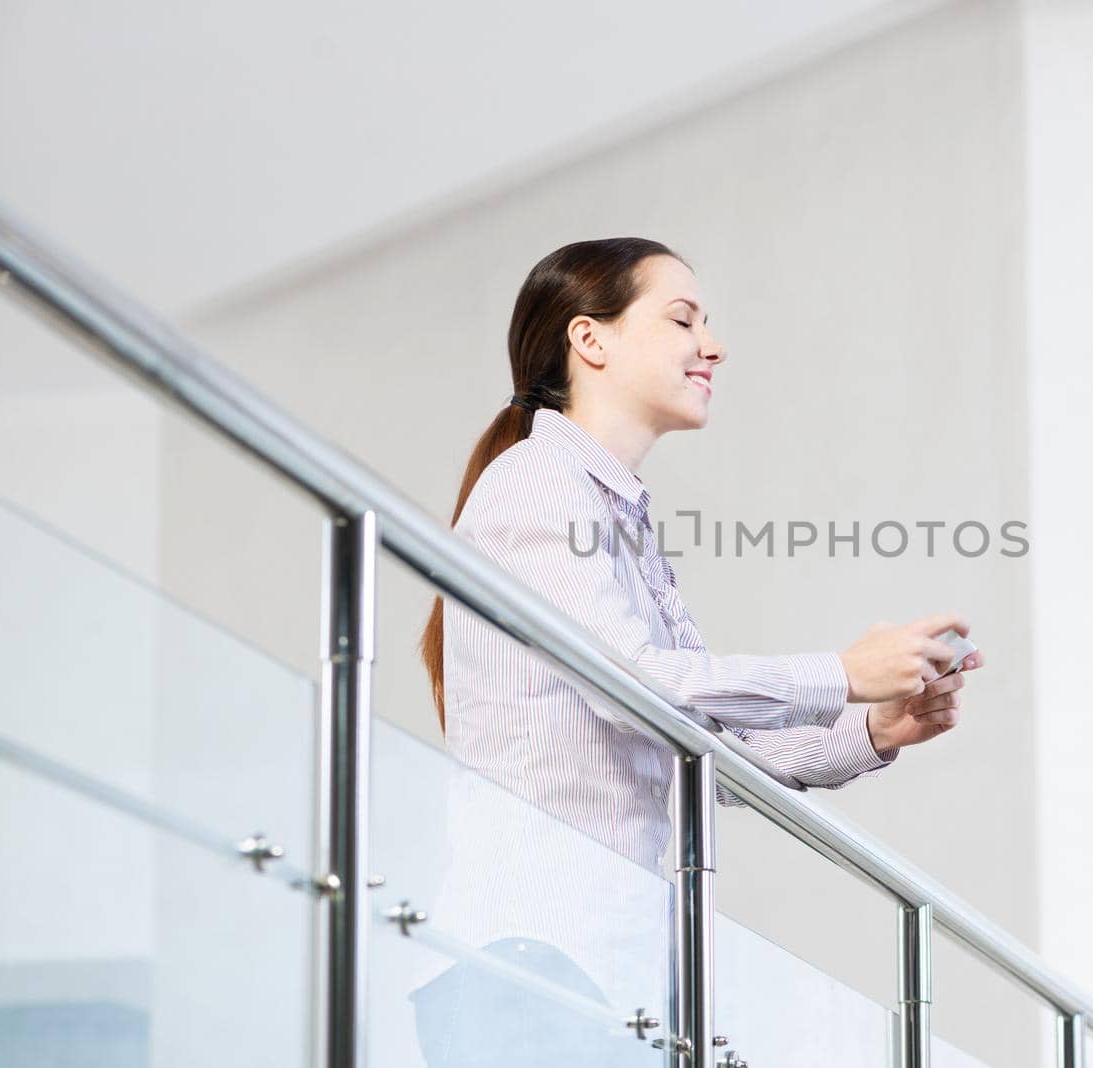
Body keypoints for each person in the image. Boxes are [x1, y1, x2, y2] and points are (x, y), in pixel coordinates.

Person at [410, 238, 983, 1065]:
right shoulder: (540, 481)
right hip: (535, 963)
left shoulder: (614, 516)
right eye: (682, 318)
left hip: (607, 977)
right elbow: (634, 686)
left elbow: (706, 741)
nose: (711, 344)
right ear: (590, 340)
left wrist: (877, 728)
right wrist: (841, 674)